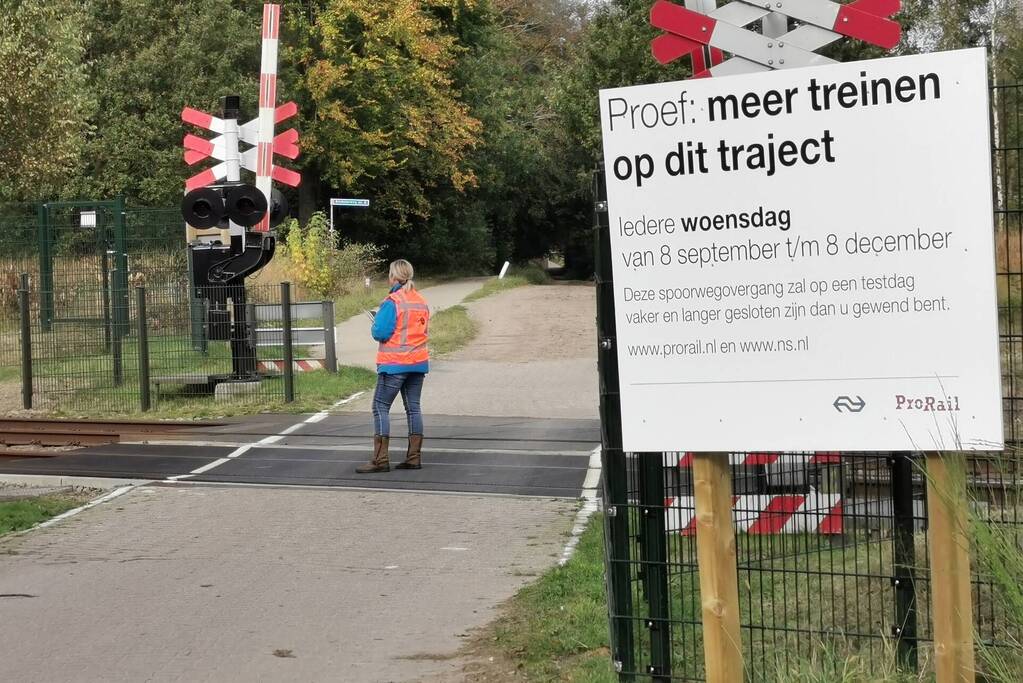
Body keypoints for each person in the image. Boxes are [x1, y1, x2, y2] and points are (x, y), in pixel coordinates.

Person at [356, 259, 430, 473]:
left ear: (393, 277)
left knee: (380, 407)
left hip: (395, 365)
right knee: (413, 408)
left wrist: (376, 322)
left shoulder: (392, 301)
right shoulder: (420, 300)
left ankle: (380, 460)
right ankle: (414, 457)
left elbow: (380, 333)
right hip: (417, 363)